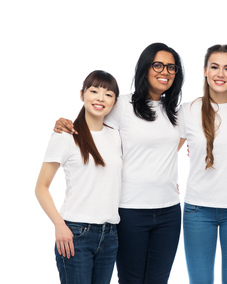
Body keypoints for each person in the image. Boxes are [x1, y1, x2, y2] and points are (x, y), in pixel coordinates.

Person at [55, 43, 185, 283]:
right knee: (131, 279)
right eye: (158, 65)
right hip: (129, 210)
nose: (164, 71)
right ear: (145, 68)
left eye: (171, 67)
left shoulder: (178, 112)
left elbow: (170, 147)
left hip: (169, 213)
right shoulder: (123, 105)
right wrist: (65, 123)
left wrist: (161, 173)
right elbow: (94, 124)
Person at [35, 70, 121, 284]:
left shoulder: (116, 135)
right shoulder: (64, 136)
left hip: (110, 235)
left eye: (108, 94)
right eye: (94, 91)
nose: (100, 98)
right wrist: (59, 225)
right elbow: (41, 187)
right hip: (76, 233)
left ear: (114, 102)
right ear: (82, 94)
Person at [177, 44, 227, 284]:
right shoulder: (187, 111)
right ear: (205, 71)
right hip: (198, 210)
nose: (221, 74)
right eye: (215, 67)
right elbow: (165, 151)